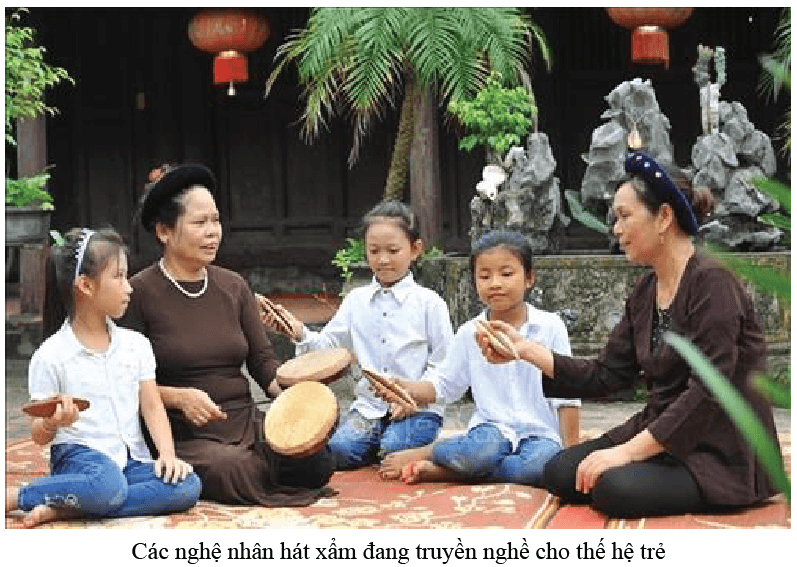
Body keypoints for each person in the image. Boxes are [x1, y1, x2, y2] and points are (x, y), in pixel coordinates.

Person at [478, 151, 783, 518]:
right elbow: (607, 374)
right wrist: (525, 350)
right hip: (659, 430)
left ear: (664, 217)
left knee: (612, 487)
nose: (616, 229)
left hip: (718, 446)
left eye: (624, 216)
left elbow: (709, 391)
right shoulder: (644, 291)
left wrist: (627, 452)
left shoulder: (712, 281)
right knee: (560, 472)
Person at [121, 164, 333, 507]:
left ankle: (266, 465)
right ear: (164, 231)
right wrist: (178, 398)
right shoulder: (138, 293)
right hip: (182, 432)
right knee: (236, 469)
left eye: (216, 221)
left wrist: (298, 401)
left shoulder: (233, 286)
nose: (212, 233)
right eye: (199, 223)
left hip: (244, 420)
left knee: (317, 460)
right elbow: (120, 381)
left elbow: (263, 362)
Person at [5, 228, 200, 528]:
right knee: (106, 485)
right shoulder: (51, 355)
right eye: (119, 277)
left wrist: (168, 455)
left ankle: (68, 507)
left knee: (187, 485)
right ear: (85, 285)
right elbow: (38, 435)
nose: (129, 287)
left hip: (130, 462)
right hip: (80, 461)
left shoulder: (136, 345)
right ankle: (20, 496)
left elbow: (151, 406)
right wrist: (52, 422)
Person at [377, 231, 580, 486]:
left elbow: (568, 394)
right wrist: (405, 388)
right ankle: (434, 453)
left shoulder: (550, 327)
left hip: (541, 434)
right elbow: (445, 386)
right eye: (484, 276)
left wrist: (572, 454)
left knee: (536, 469)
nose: (495, 283)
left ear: (529, 278)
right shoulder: (468, 333)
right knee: (479, 453)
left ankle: (448, 471)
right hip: (490, 430)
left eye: (506, 274)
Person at [262, 201, 454, 470]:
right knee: (338, 452)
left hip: (417, 409)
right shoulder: (356, 300)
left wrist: (416, 395)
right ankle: (378, 443)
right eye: (374, 251)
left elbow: (444, 363)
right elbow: (329, 347)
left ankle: (407, 446)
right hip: (368, 409)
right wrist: (299, 332)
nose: (383, 259)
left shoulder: (430, 303)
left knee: (394, 446)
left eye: (393, 251)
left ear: (415, 249)